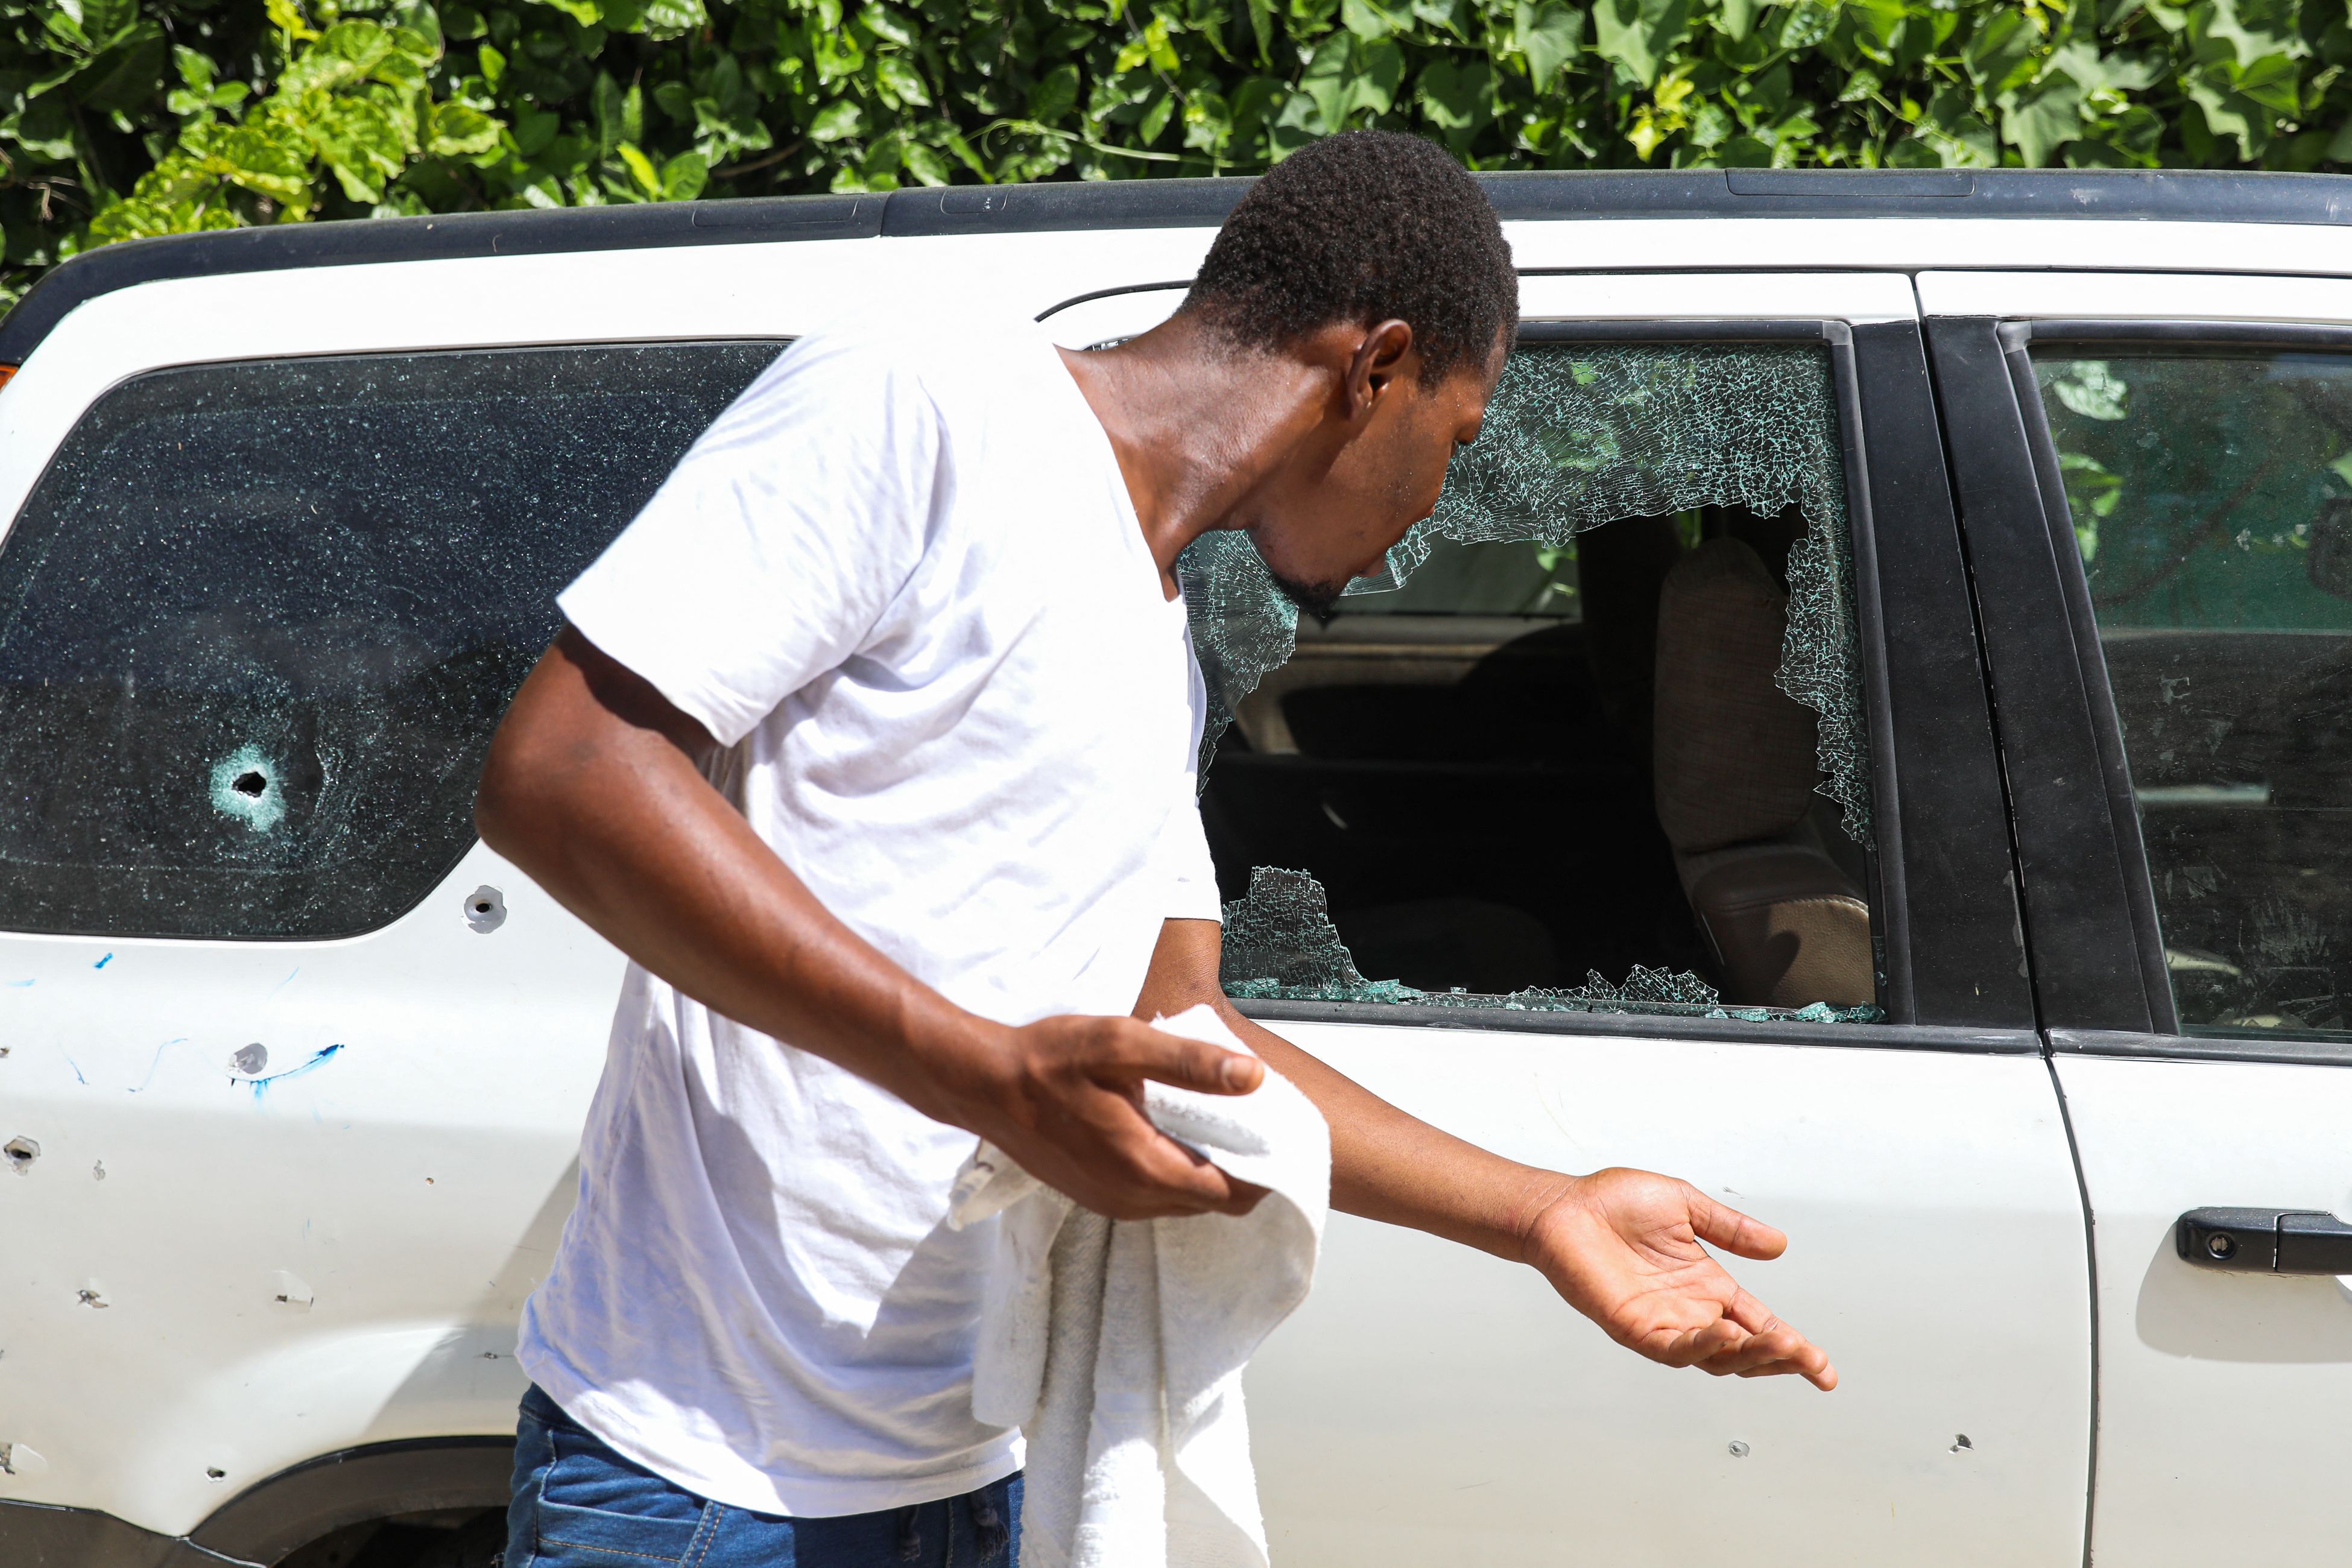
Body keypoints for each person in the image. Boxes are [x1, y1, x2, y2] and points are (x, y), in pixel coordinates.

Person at [476, 128, 1836, 1568]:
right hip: (705, 1478)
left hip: (975, 1460)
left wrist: (1542, 1211)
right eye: (1458, 439)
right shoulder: (929, 393)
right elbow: (566, 768)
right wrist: (976, 1069)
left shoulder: (1157, 629)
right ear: (1374, 368)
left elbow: (1177, 1025)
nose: (1435, 509)